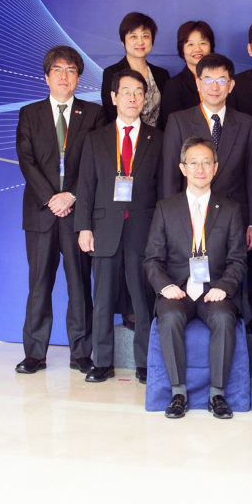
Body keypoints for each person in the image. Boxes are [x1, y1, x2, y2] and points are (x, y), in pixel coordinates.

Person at [144, 136, 248, 418]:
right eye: (193, 163)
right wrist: (165, 286)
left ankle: (218, 395)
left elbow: (238, 258)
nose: (200, 169)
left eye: (206, 163)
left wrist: (225, 287)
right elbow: (152, 258)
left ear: (215, 167)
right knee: (171, 316)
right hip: (177, 289)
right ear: (182, 167)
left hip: (213, 290)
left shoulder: (230, 209)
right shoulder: (167, 208)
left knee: (225, 318)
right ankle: (178, 393)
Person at [16, 46, 101, 375]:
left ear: (78, 77)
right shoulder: (30, 113)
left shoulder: (93, 115)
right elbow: (26, 160)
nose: (64, 76)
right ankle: (34, 353)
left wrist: (72, 196)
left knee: (79, 283)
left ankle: (81, 352)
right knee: (39, 283)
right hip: (41, 212)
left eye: (71, 71)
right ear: (47, 76)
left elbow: (96, 164)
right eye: (58, 70)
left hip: (78, 213)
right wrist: (52, 197)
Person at [74, 69, 162, 382]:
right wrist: (84, 227)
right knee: (104, 298)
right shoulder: (96, 139)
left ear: (145, 98)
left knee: (142, 297)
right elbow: (85, 186)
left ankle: (144, 362)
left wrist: (160, 232)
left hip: (143, 229)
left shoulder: (157, 138)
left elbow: (164, 189)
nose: (132, 98)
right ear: (113, 98)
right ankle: (103, 362)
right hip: (103, 229)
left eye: (139, 92)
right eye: (126, 91)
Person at [160, 55, 252, 317]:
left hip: (232, 219)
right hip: (189, 216)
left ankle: (236, 316)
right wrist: (171, 220)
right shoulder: (179, 120)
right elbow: (171, 174)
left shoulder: (246, 122)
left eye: (221, 80)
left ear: (231, 85)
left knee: (231, 276)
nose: (214, 86)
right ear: (198, 83)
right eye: (208, 79)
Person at [100, 12, 170, 129]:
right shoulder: (111, 73)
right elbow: (111, 114)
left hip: (158, 141)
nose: (140, 42)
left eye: (145, 36)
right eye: (133, 36)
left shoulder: (162, 74)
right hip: (125, 139)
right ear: (123, 42)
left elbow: (166, 115)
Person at [160, 20, 213, 119]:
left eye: (202, 43)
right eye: (190, 44)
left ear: (211, 46)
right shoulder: (173, 86)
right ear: (182, 49)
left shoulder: (221, 81)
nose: (197, 49)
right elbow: (172, 126)